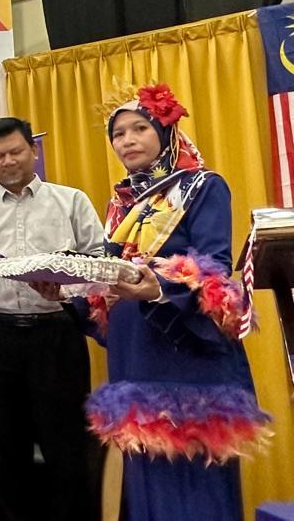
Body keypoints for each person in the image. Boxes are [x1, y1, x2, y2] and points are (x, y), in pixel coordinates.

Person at [34, 84, 270, 521]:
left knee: (192, 489)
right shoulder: (122, 206)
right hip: (135, 355)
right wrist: (64, 292)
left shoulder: (203, 186)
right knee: (146, 490)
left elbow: (215, 269)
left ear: (165, 133)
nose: (127, 140)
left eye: (139, 128)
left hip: (185, 359)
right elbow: (107, 292)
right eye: (118, 134)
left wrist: (158, 289)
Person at [0, 117, 104, 521]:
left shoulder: (71, 201)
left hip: (57, 334)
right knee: (8, 447)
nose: (8, 161)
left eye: (16, 152)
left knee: (67, 448)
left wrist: (65, 286)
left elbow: (100, 264)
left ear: (33, 150)